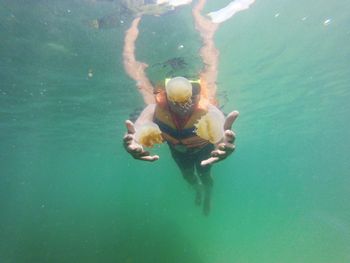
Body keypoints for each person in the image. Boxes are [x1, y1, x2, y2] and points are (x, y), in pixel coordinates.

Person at [122, 0, 240, 215]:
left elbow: (219, 125)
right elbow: (142, 122)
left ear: (198, 94)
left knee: (206, 175)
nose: (184, 104)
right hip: (178, 152)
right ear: (166, 95)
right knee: (188, 176)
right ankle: (196, 190)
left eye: (191, 96)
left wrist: (223, 142)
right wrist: (135, 139)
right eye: (175, 98)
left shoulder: (206, 108)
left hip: (204, 149)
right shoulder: (157, 107)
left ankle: (207, 196)